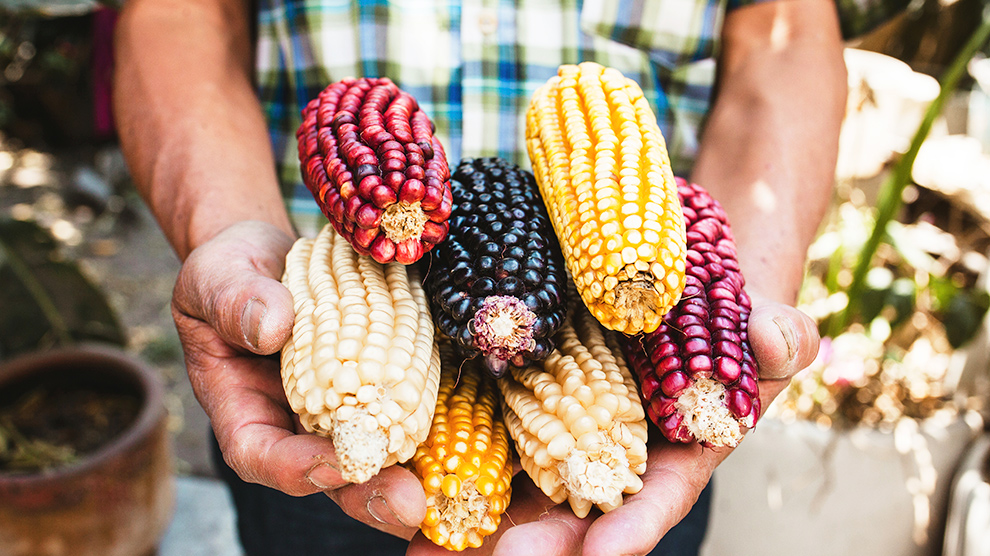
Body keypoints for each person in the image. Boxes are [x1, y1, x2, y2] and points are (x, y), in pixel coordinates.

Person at [112, 0, 850, 554]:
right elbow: (180, 18)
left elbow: (783, 33)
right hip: (308, 400)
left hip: (636, 408)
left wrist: (736, 280)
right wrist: (224, 228)